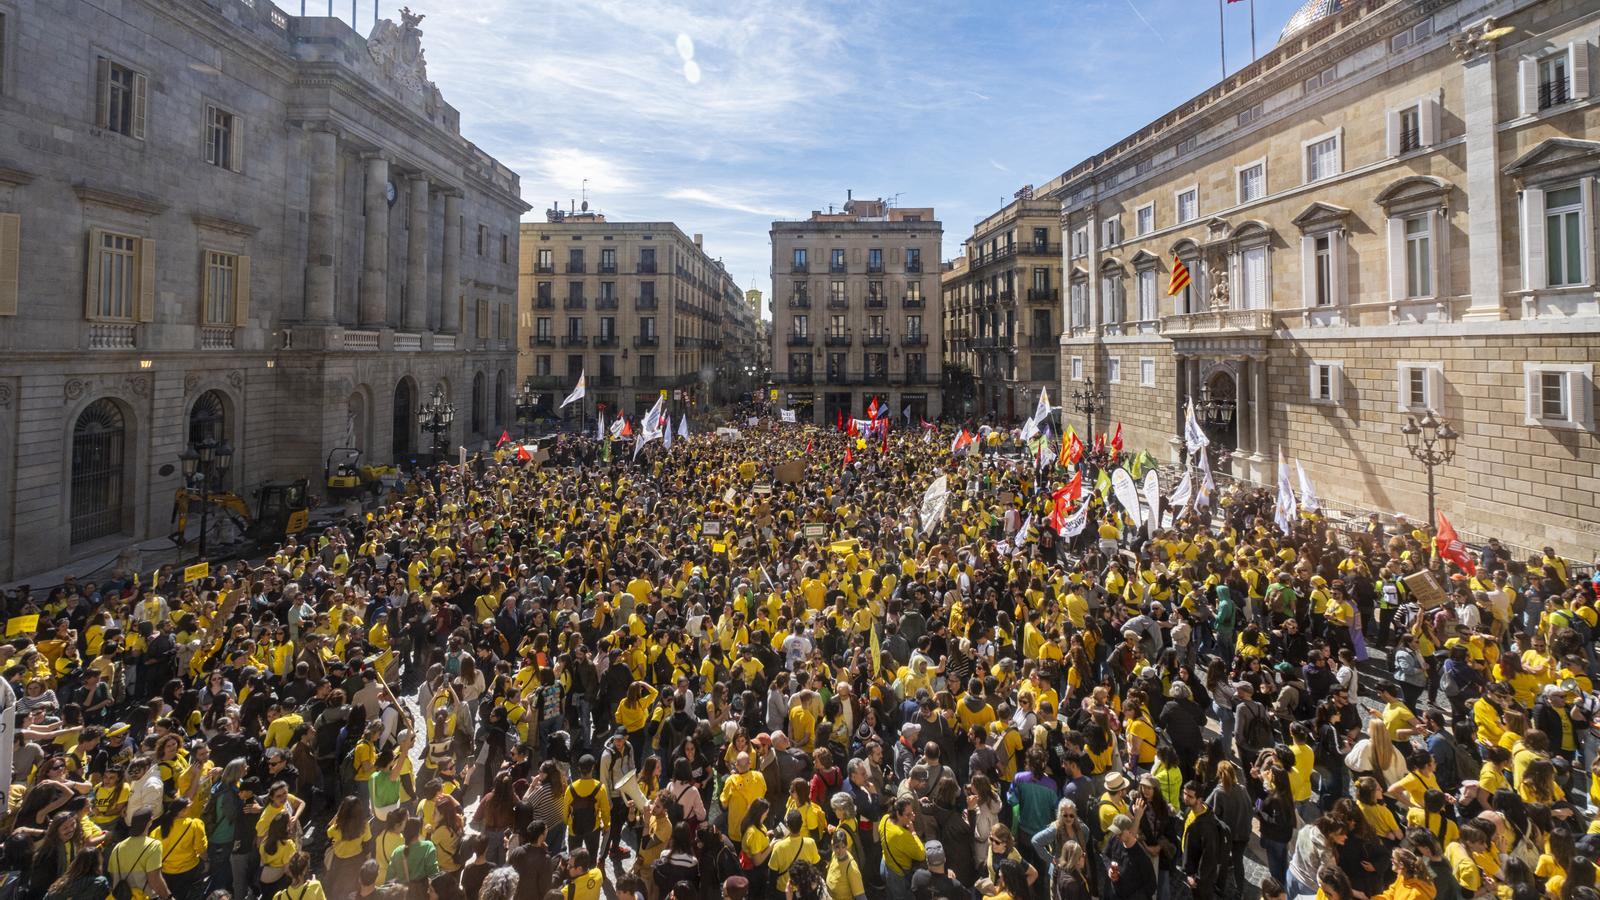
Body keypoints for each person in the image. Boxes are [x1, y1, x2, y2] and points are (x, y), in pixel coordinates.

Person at [107, 808, 168, 900]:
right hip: (145, 897)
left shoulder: (118, 847)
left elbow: (112, 874)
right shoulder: (153, 845)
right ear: (149, 822)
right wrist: (168, 897)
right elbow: (155, 879)